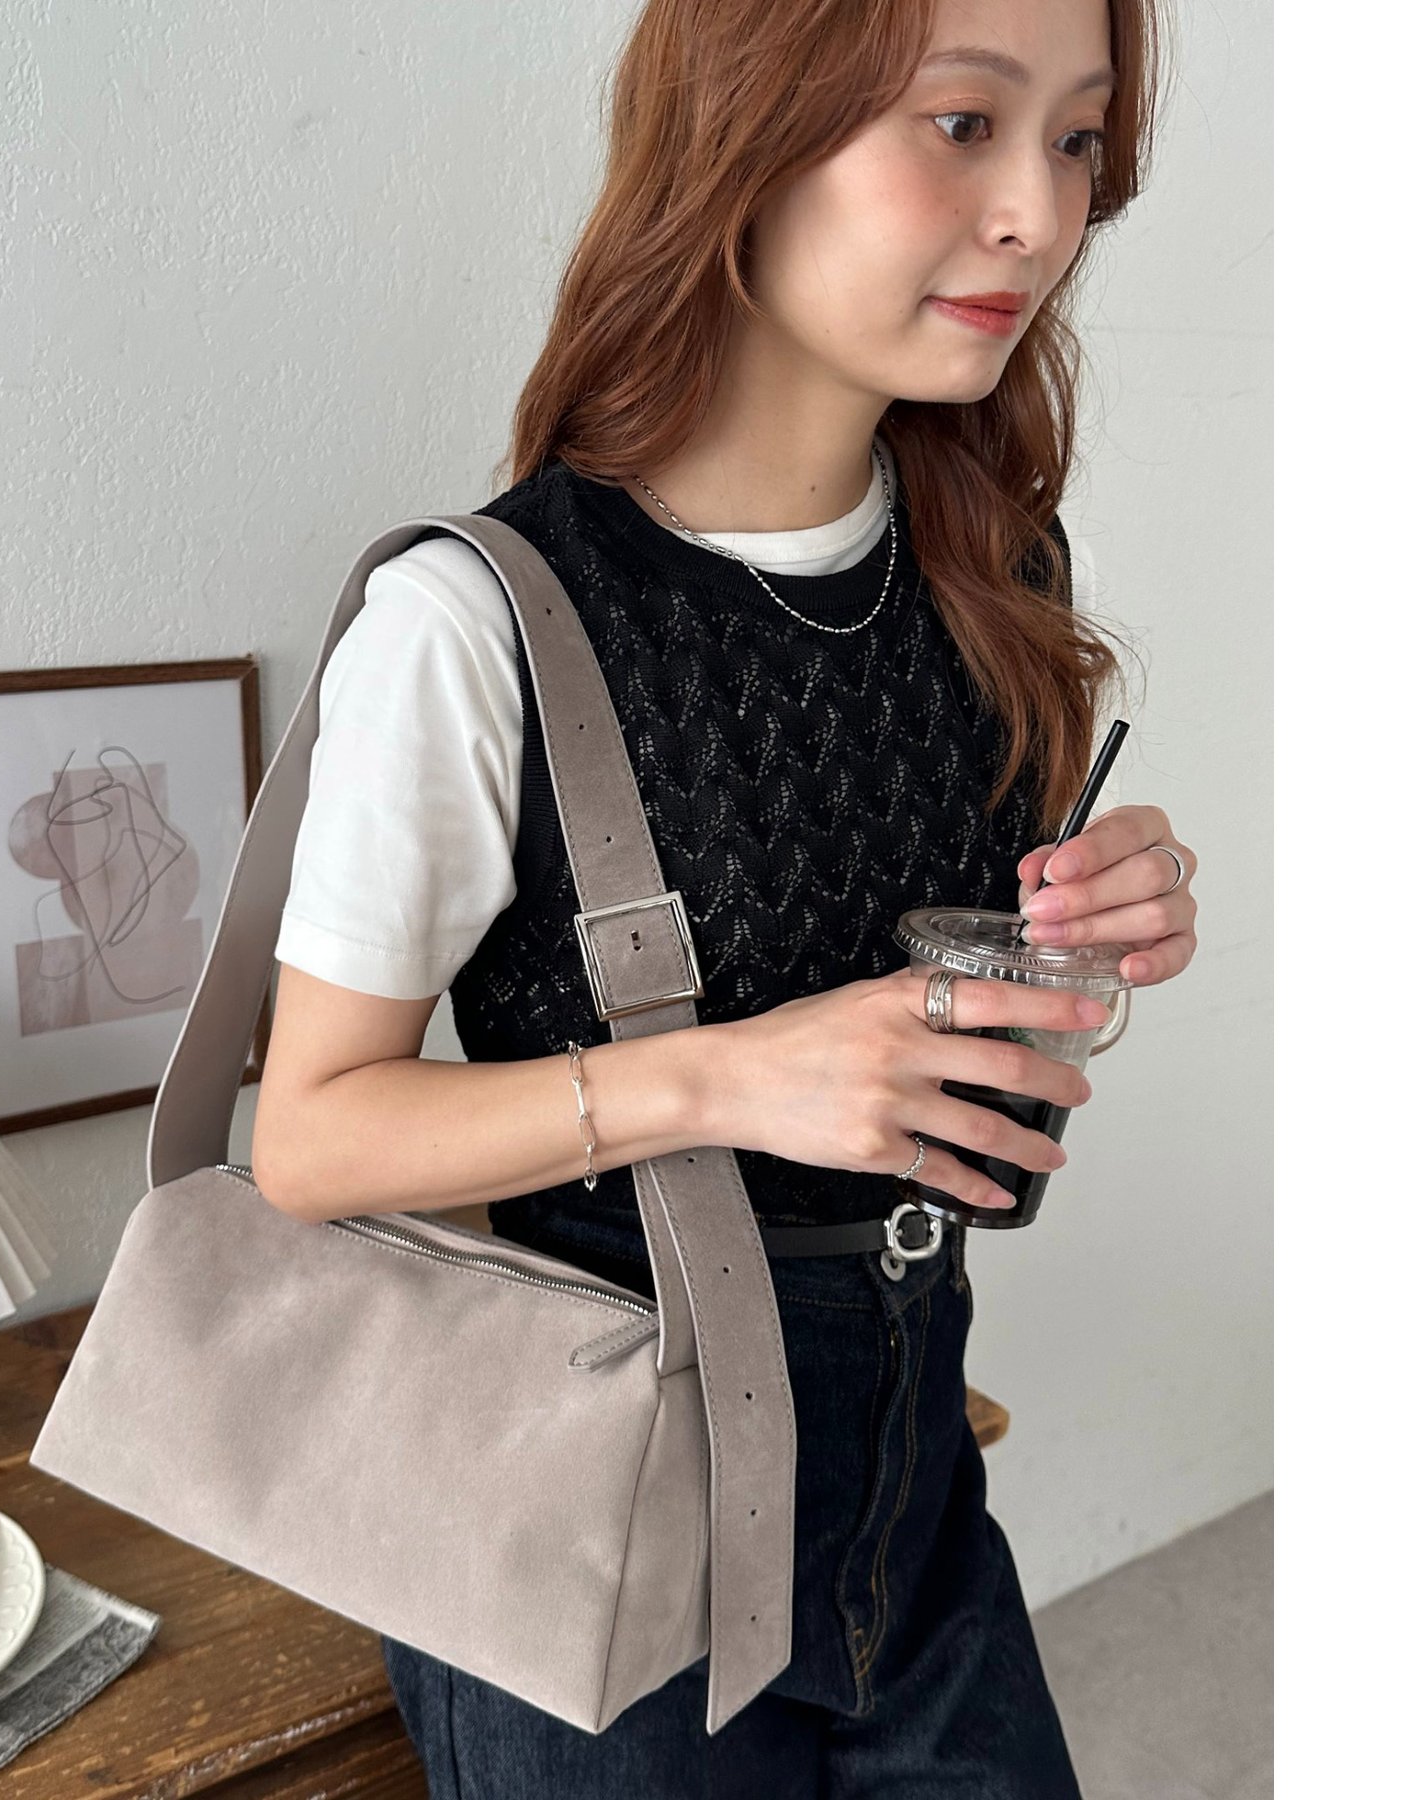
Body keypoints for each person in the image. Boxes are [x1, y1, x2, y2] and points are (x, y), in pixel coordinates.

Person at [253, 0, 1200, 1790]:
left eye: (1078, 140)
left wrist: (1104, 909)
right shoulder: (477, 623)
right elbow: (309, 1140)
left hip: (911, 1489)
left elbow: (929, 1003)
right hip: (587, 1529)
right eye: (962, 124)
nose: (1036, 214)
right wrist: (734, 1075)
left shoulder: (994, 566)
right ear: (745, 136)